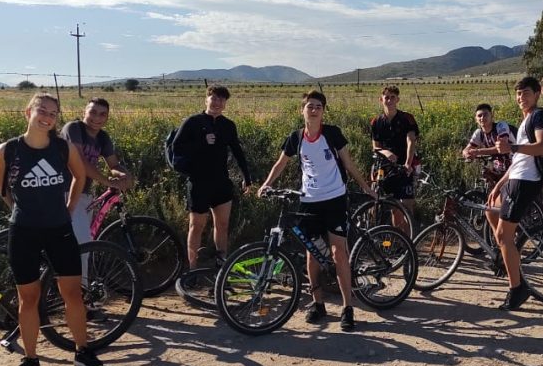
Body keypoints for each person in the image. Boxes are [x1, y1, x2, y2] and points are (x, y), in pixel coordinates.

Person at [0, 93, 103, 366]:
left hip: (59, 229)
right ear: (27, 111)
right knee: (27, 299)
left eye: (54, 113)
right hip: (24, 231)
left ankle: (82, 350)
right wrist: (19, 212)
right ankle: (31, 359)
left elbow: (80, 177)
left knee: (73, 294)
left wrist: (69, 208)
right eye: (42, 110)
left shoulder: (63, 148)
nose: (48, 116)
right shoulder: (7, 150)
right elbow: (2, 188)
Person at [258, 90, 376, 331]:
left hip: (334, 198)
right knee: (312, 253)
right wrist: (266, 184)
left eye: (318, 106)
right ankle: (318, 303)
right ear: (302, 110)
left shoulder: (331, 134)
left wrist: (366, 186)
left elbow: (348, 163)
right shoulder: (296, 137)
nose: (313, 109)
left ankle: (347, 307)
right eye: (309, 106)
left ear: (323, 111)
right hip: (308, 200)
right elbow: (281, 163)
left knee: (338, 253)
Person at [488, 76, 543, 311]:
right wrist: (500, 183)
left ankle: (517, 289)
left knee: (503, 236)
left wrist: (511, 147)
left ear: (536, 94)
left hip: (526, 181)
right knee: (496, 222)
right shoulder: (527, 118)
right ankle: (510, 260)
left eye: (525, 93)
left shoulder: (540, 115)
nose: (520, 98)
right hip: (516, 178)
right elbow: (519, 158)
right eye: (517, 94)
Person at [171, 86, 253, 267]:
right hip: (199, 182)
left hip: (221, 182)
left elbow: (238, 152)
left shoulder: (228, 125)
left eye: (221, 100)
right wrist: (201, 141)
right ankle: (192, 270)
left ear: (225, 104)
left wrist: (247, 177)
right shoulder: (192, 122)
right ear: (206, 100)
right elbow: (177, 148)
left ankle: (221, 267)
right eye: (214, 98)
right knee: (196, 226)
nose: (217, 103)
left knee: (222, 226)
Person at [62, 98, 133, 253]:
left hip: (85, 195)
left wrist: (125, 176)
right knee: (84, 247)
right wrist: (108, 182)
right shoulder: (73, 128)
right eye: (92, 112)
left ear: (107, 118)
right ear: (84, 112)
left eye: (102, 114)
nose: (97, 118)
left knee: (79, 243)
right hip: (65, 192)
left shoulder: (103, 137)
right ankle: (80, 278)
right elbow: (79, 162)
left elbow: (113, 165)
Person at [370, 85, 419, 233]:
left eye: (393, 97)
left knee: (407, 205)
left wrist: (407, 164)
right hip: (385, 167)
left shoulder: (407, 118)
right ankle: (399, 243)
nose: (389, 100)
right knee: (394, 208)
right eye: (387, 97)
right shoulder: (376, 122)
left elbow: (411, 141)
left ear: (398, 99)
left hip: (406, 165)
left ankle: (410, 239)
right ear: (381, 100)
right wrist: (386, 152)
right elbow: (375, 146)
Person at [461, 103, 512, 187]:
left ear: (492, 115)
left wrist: (477, 152)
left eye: (485, 115)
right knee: (488, 179)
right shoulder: (479, 133)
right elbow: (466, 149)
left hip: (516, 162)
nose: (482, 118)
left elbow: (501, 148)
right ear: (476, 119)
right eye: (479, 116)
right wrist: (467, 153)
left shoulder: (501, 126)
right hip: (499, 165)